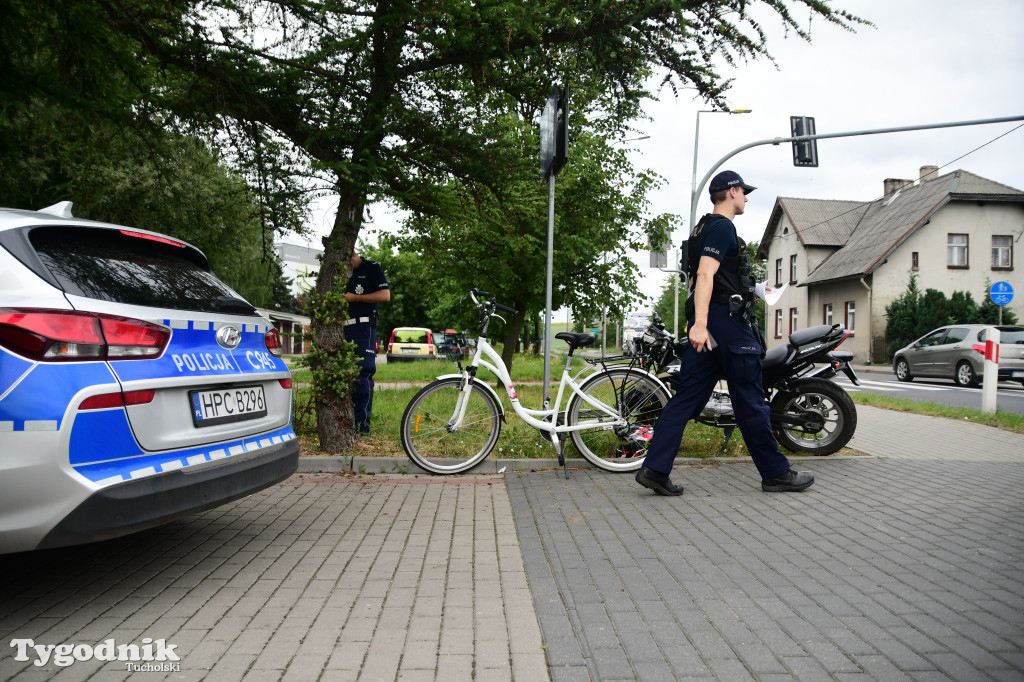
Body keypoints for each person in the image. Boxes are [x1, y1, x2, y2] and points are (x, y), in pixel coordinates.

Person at [635, 170, 814, 495]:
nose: (746, 198)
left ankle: (655, 469)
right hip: (726, 328)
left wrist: (752, 289)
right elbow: (705, 276)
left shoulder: (703, 227)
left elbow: (712, 279)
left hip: (712, 329)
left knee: (687, 398)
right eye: (744, 192)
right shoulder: (721, 227)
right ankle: (776, 474)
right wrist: (701, 324)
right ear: (732, 191)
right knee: (750, 400)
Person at [343, 250, 390, 435]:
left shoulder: (371, 268)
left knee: (363, 374)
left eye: (348, 261)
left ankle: (362, 427)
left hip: (364, 327)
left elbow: (385, 295)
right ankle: (349, 423)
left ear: (353, 254)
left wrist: (355, 298)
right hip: (345, 328)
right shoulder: (342, 273)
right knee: (348, 376)